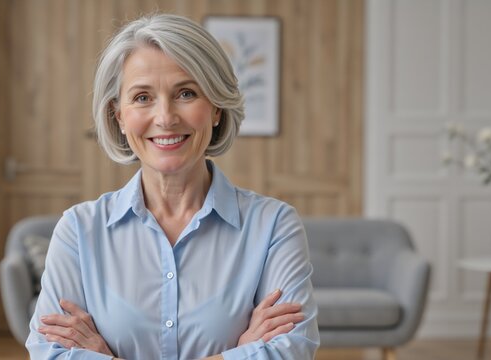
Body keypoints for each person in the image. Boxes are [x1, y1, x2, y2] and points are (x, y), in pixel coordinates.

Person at [26, 13, 319, 360]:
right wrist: (238, 354)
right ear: (118, 116)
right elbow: (51, 354)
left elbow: (292, 351)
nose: (165, 117)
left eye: (186, 93)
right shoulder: (78, 230)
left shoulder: (273, 226)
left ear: (215, 109)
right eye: (142, 97)